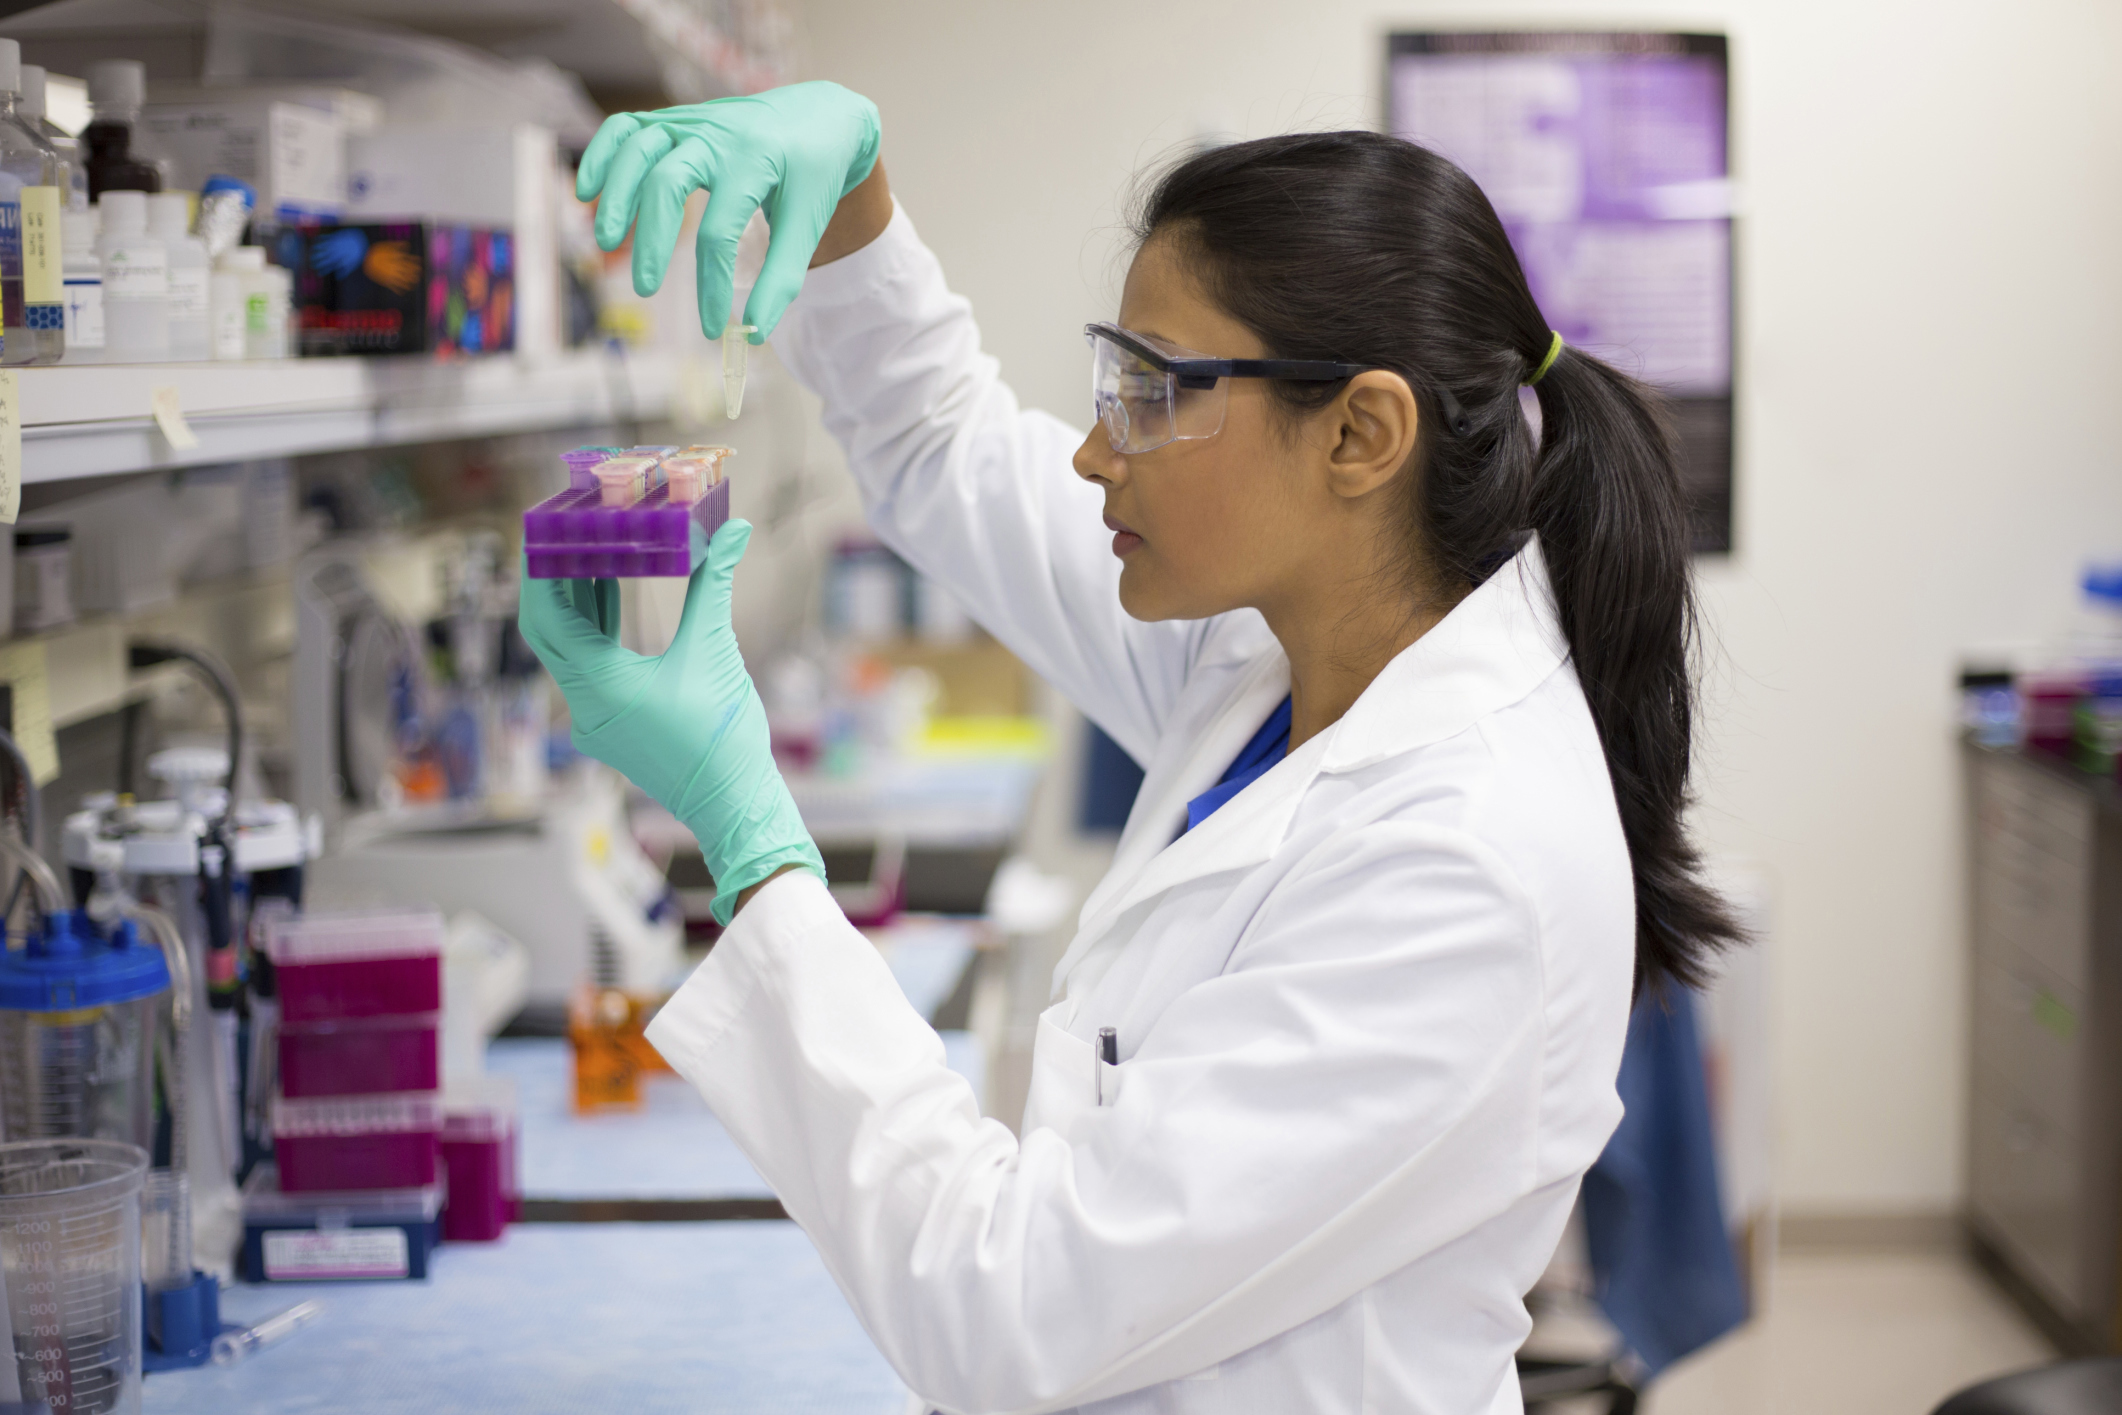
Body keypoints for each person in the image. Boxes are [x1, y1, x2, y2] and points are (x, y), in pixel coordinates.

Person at [520, 80, 1743, 1415]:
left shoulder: (1465, 860)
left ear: (1359, 434)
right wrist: (853, 200)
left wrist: (749, 833)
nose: (1099, 450)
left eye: (1155, 393)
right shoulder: (1283, 655)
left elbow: (1007, 1311)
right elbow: (943, 447)